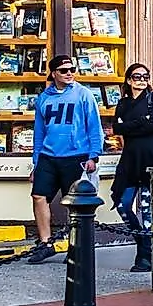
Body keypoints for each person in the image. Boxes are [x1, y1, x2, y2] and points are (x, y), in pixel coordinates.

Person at [27, 56, 105, 262]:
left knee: (75, 203)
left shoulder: (84, 95)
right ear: (53, 74)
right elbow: (39, 132)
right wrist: (36, 162)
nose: (69, 73)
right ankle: (45, 243)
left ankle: (75, 246)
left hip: (76, 156)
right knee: (38, 196)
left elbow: (94, 127)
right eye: (63, 70)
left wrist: (94, 156)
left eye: (72, 69)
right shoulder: (44, 98)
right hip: (48, 156)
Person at [109, 62, 153, 273]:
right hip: (129, 159)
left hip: (150, 156)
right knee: (123, 203)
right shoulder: (122, 103)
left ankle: (146, 256)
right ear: (129, 80)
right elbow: (117, 128)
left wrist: (133, 125)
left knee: (148, 209)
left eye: (145, 76)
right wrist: (140, 122)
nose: (142, 80)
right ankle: (142, 241)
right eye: (137, 77)